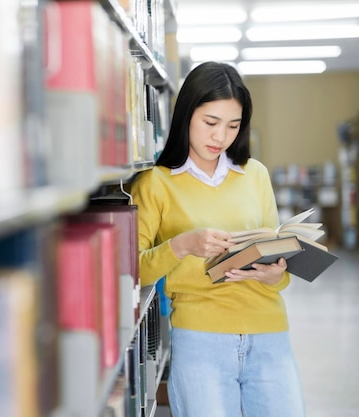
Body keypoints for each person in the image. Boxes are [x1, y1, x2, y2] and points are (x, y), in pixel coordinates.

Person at [131, 61, 306, 417]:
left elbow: (278, 262)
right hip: (200, 340)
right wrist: (180, 246)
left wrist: (276, 275)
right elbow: (132, 272)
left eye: (233, 126)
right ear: (185, 115)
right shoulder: (154, 183)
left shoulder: (254, 174)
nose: (220, 137)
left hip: (269, 335)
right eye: (210, 123)